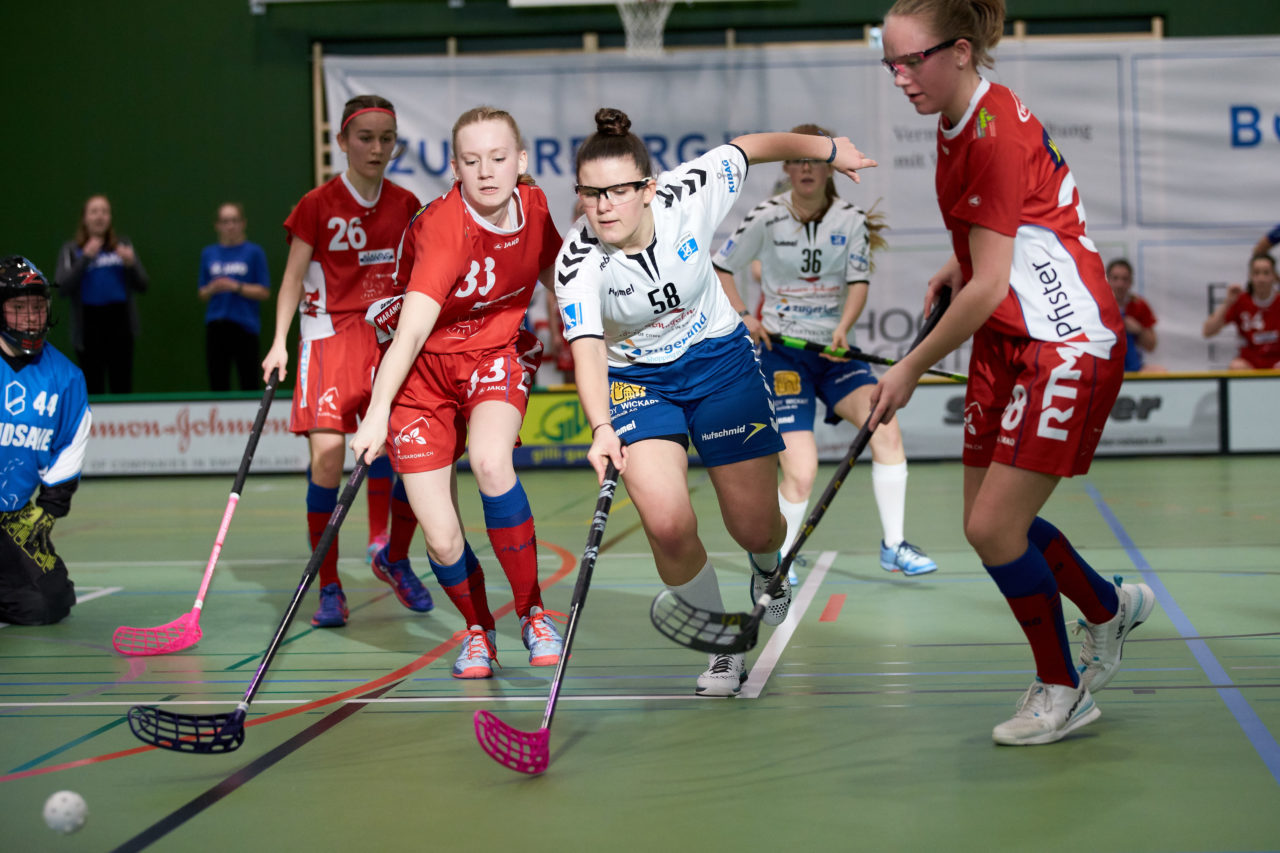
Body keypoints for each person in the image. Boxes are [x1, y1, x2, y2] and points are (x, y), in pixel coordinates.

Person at [872, 0, 1156, 745]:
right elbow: (1017, 225)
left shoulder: (991, 131)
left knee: (996, 527)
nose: (901, 77)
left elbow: (994, 282)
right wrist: (955, 262)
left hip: (1064, 338)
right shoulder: (957, 119)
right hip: (1008, 337)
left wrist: (907, 368)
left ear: (960, 51)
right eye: (890, 63)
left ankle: (1064, 688)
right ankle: (1107, 607)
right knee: (992, 525)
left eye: (913, 61)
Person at [556, 107, 876, 697]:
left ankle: (767, 568)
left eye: (617, 192)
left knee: (754, 527)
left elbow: (752, 146)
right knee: (668, 524)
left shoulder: (687, 194)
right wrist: (601, 426)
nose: (602, 206)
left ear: (648, 190)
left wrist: (828, 152)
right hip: (638, 383)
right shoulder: (577, 262)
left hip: (719, 361)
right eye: (590, 193)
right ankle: (719, 645)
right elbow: (587, 350)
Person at [351, 106, 566, 679]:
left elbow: (561, 277)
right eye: (472, 161)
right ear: (455, 167)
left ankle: (533, 615)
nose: (487, 171)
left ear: (520, 162)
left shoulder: (536, 206)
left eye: (499, 158)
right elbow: (413, 331)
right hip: (419, 370)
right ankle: (478, 630)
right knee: (443, 539)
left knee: (494, 463)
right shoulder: (444, 227)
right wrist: (375, 416)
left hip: (494, 353)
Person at [714, 123, 938, 584]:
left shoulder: (851, 220)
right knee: (801, 469)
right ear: (788, 168)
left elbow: (858, 284)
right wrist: (743, 316)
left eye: (815, 160)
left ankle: (894, 545)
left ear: (830, 167)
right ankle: (781, 558)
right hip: (783, 354)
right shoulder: (766, 216)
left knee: (885, 428)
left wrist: (842, 328)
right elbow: (721, 266)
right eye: (797, 160)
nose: (805, 169)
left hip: (834, 351)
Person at [261, 94, 432, 627]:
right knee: (329, 459)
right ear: (342, 142)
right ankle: (329, 583)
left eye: (386, 138)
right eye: (366, 138)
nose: (377, 148)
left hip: (386, 340)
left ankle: (389, 553)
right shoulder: (316, 204)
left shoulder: (407, 203)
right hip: (329, 337)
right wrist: (277, 343)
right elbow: (291, 277)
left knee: (404, 454)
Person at [0, 257, 91, 625]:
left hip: (14, 517)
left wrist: (50, 508)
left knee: (51, 602)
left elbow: (71, 446)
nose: (31, 318)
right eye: (18, 308)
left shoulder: (67, 377)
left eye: (37, 308)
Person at [55, 194, 149, 394]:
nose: (100, 217)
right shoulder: (72, 250)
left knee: (122, 385)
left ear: (110, 218)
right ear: (85, 218)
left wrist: (131, 265)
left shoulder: (122, 245)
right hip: (89, 328)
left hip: (120, 327)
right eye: (94, 212)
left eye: (105, 212)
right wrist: (86, 258)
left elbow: (142, 285)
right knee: (92, 386)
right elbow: (62, 287)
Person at [198, 203, 271, 391]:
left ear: (242, 223)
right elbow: (202, 292)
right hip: (216, 325)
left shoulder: (254, 253)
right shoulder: (208, 253)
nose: (230, 226)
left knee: (249, 381)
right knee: (218, 382)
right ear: (217, 225)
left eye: (234, 221)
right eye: (225, 221)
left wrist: (235, 286)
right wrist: (214, 288)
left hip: (245, 326)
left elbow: (264, 291)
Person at [1202, 252, 1280, 369]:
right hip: (1250, 365)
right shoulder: (1241, 300)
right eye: (1256, 273)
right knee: (1236, 366)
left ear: (1274, 276)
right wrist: (1227, 303)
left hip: (1276, 364)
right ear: (1250, 276)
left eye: (1266, 273)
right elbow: (1208, 331)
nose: (1261, 278)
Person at [1105, 258, 1163, 373]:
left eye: (1124, 279)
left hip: (1134, 368)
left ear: (1131, 282)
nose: (1120, 284)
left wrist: (1139, 330)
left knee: (1160, 372)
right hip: (1106, 366)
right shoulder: (1097, 306)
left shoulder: (1139, 305)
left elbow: (1151, 346)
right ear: (1107, 280)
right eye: (1115, 278)